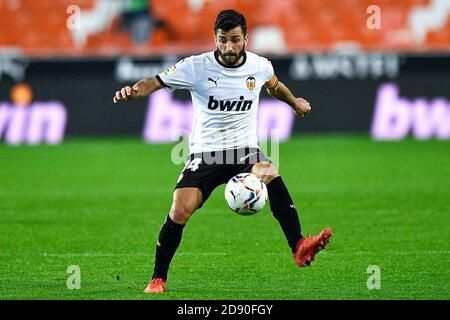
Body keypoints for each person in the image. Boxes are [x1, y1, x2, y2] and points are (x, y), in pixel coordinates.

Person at [113, 9, 333, 294]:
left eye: (235, 40)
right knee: (180, 209)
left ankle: (299, 246)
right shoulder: (196, 67)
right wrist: (133, 90)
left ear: (246, 39)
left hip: (243, 149)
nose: (229, 47)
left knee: (268, 171)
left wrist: (294, 103)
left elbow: (274, 86)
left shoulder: (259, 65)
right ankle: (158, 278)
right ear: (214, 39)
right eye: (223, 40)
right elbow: (154, 82)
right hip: (206, 153)